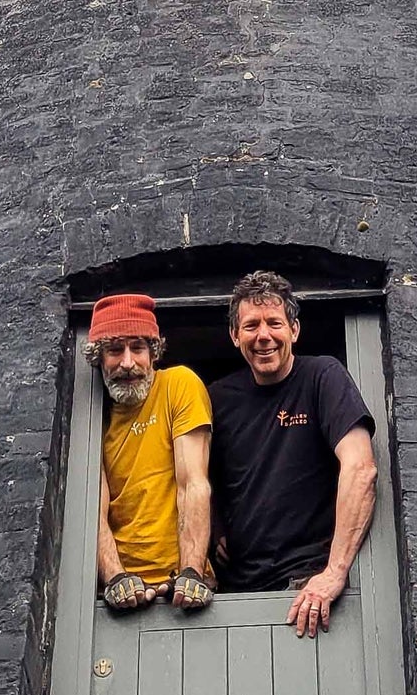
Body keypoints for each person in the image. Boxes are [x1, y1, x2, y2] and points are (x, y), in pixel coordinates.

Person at [210, 269, 376, 637]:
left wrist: (335, 572)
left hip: (308, 587)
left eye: (275, 323)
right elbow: (196, 476)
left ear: (294, 331)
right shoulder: (218, 398)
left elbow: (361, 469)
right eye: (251, 326)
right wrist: (215, 527)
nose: (264, 336)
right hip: (237, 591)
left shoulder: (323, 377)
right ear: (235, 336)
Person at [90, 291, 214, 615]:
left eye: (138, 348)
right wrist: (115, 576)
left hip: (183, 582)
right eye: (115, 350)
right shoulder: (91, 415)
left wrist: (192, 572)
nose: (128, 363)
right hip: (123, 589)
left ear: (154, 352)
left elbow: (193, 484)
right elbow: (93, 506)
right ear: (98, 357)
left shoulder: (178, 385)